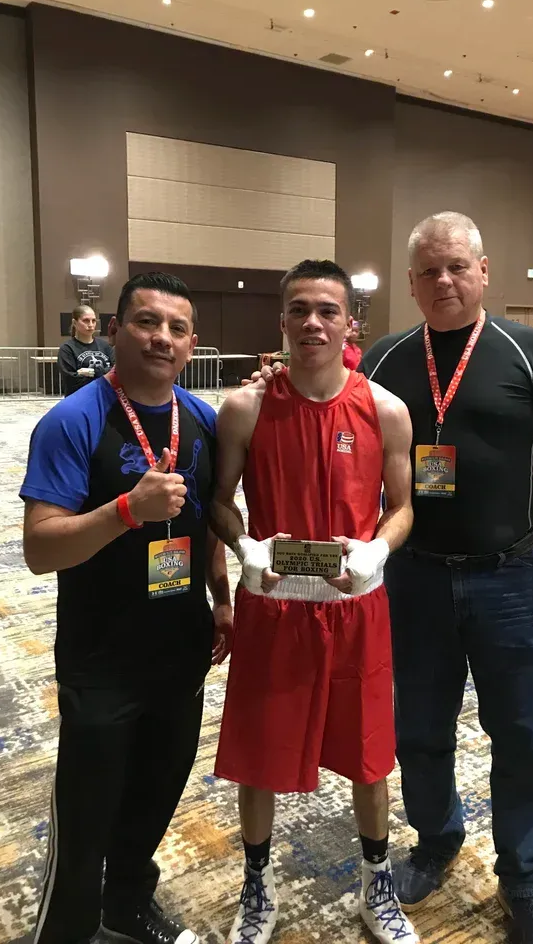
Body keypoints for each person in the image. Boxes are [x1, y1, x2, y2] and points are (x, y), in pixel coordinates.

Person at [248, 215, 533, 944]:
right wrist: (269, 376)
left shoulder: (528, 351)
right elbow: (314, 393)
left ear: (483, 270)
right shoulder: (383, 359)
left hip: (509, 577)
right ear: (410, 283)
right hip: (409, 578)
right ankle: (437, 840)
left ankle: (526, 881)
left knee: (524, 733)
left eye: (456, 267)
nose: (444, 281)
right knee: (416, 728)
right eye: (428, 272)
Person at [210, 259, 420, 944]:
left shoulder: (386, 409)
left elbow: (404, 507)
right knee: (259, 752)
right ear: (281, 322)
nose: (312, 322)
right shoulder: (245, 407)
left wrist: (377, 552)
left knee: (368, 753)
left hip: (356, 605)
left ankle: (376, 884)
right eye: (299, 309)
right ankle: (256, 886)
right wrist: (245, 548)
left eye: (327, 310)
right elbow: (218, 504)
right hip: (274, 604)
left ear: (349, 322)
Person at [21, 271, 233, 944]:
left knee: (155, 796)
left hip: (181, 648)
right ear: (114, 331)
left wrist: (222, 601)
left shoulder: (200, 420)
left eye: (175, 328)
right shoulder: (72, 421)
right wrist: (123, 512)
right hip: (101, 657)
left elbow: (207, 526)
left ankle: (127, 908)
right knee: (87, 815)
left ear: (192, 342)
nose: (160, 338)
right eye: (146, 322)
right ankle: (68, 930)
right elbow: (40, 549)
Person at [57, 304, 115, 395]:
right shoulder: (67, 349)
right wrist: (104, 373)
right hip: (79, 398)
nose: (91, 325)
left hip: (104, 396)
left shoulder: (105, 346)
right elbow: (71, 380)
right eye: (86, 321)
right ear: (75, 323)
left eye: (93, 321)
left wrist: (91, 372)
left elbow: (116, 372)